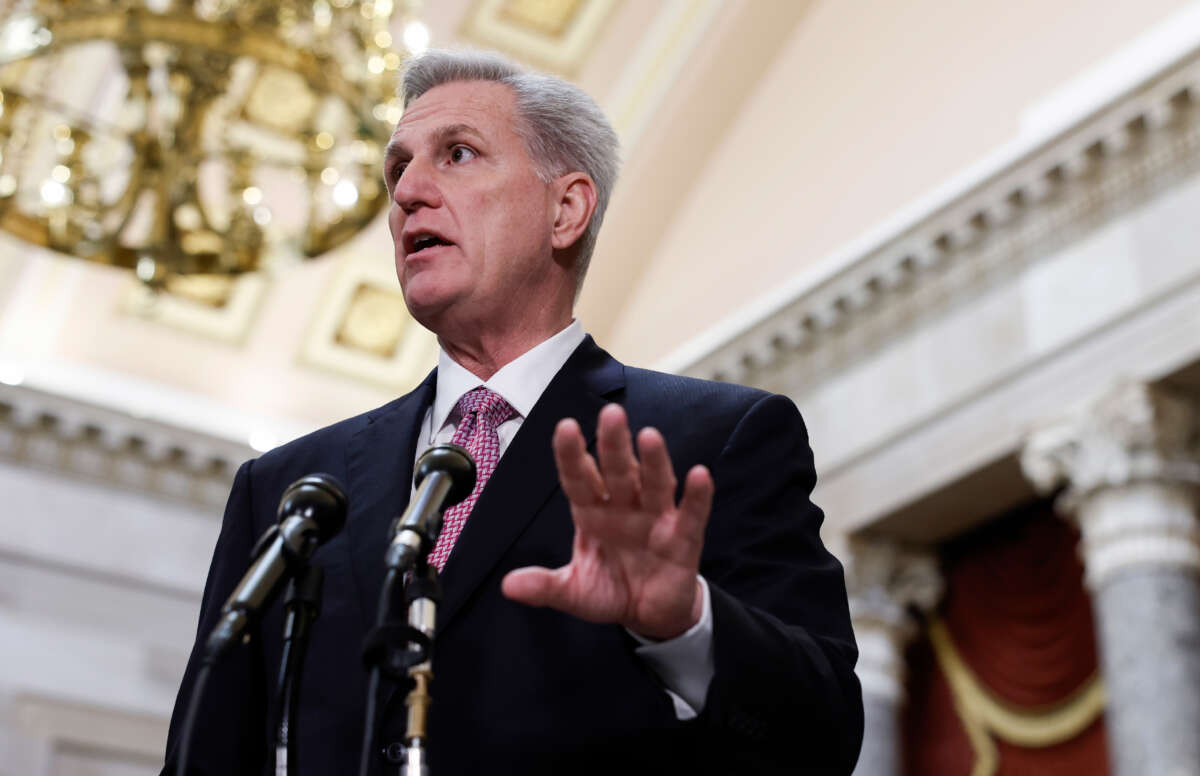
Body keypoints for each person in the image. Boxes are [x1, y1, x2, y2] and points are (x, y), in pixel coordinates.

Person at [161, 49, 862, 775]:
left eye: (457, 154)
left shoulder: (709, 442)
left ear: (566, 210)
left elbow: (824, 737)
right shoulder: (289, 487)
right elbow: (206, 751)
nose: (408, 193)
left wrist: (685, 623)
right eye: (397, 169)